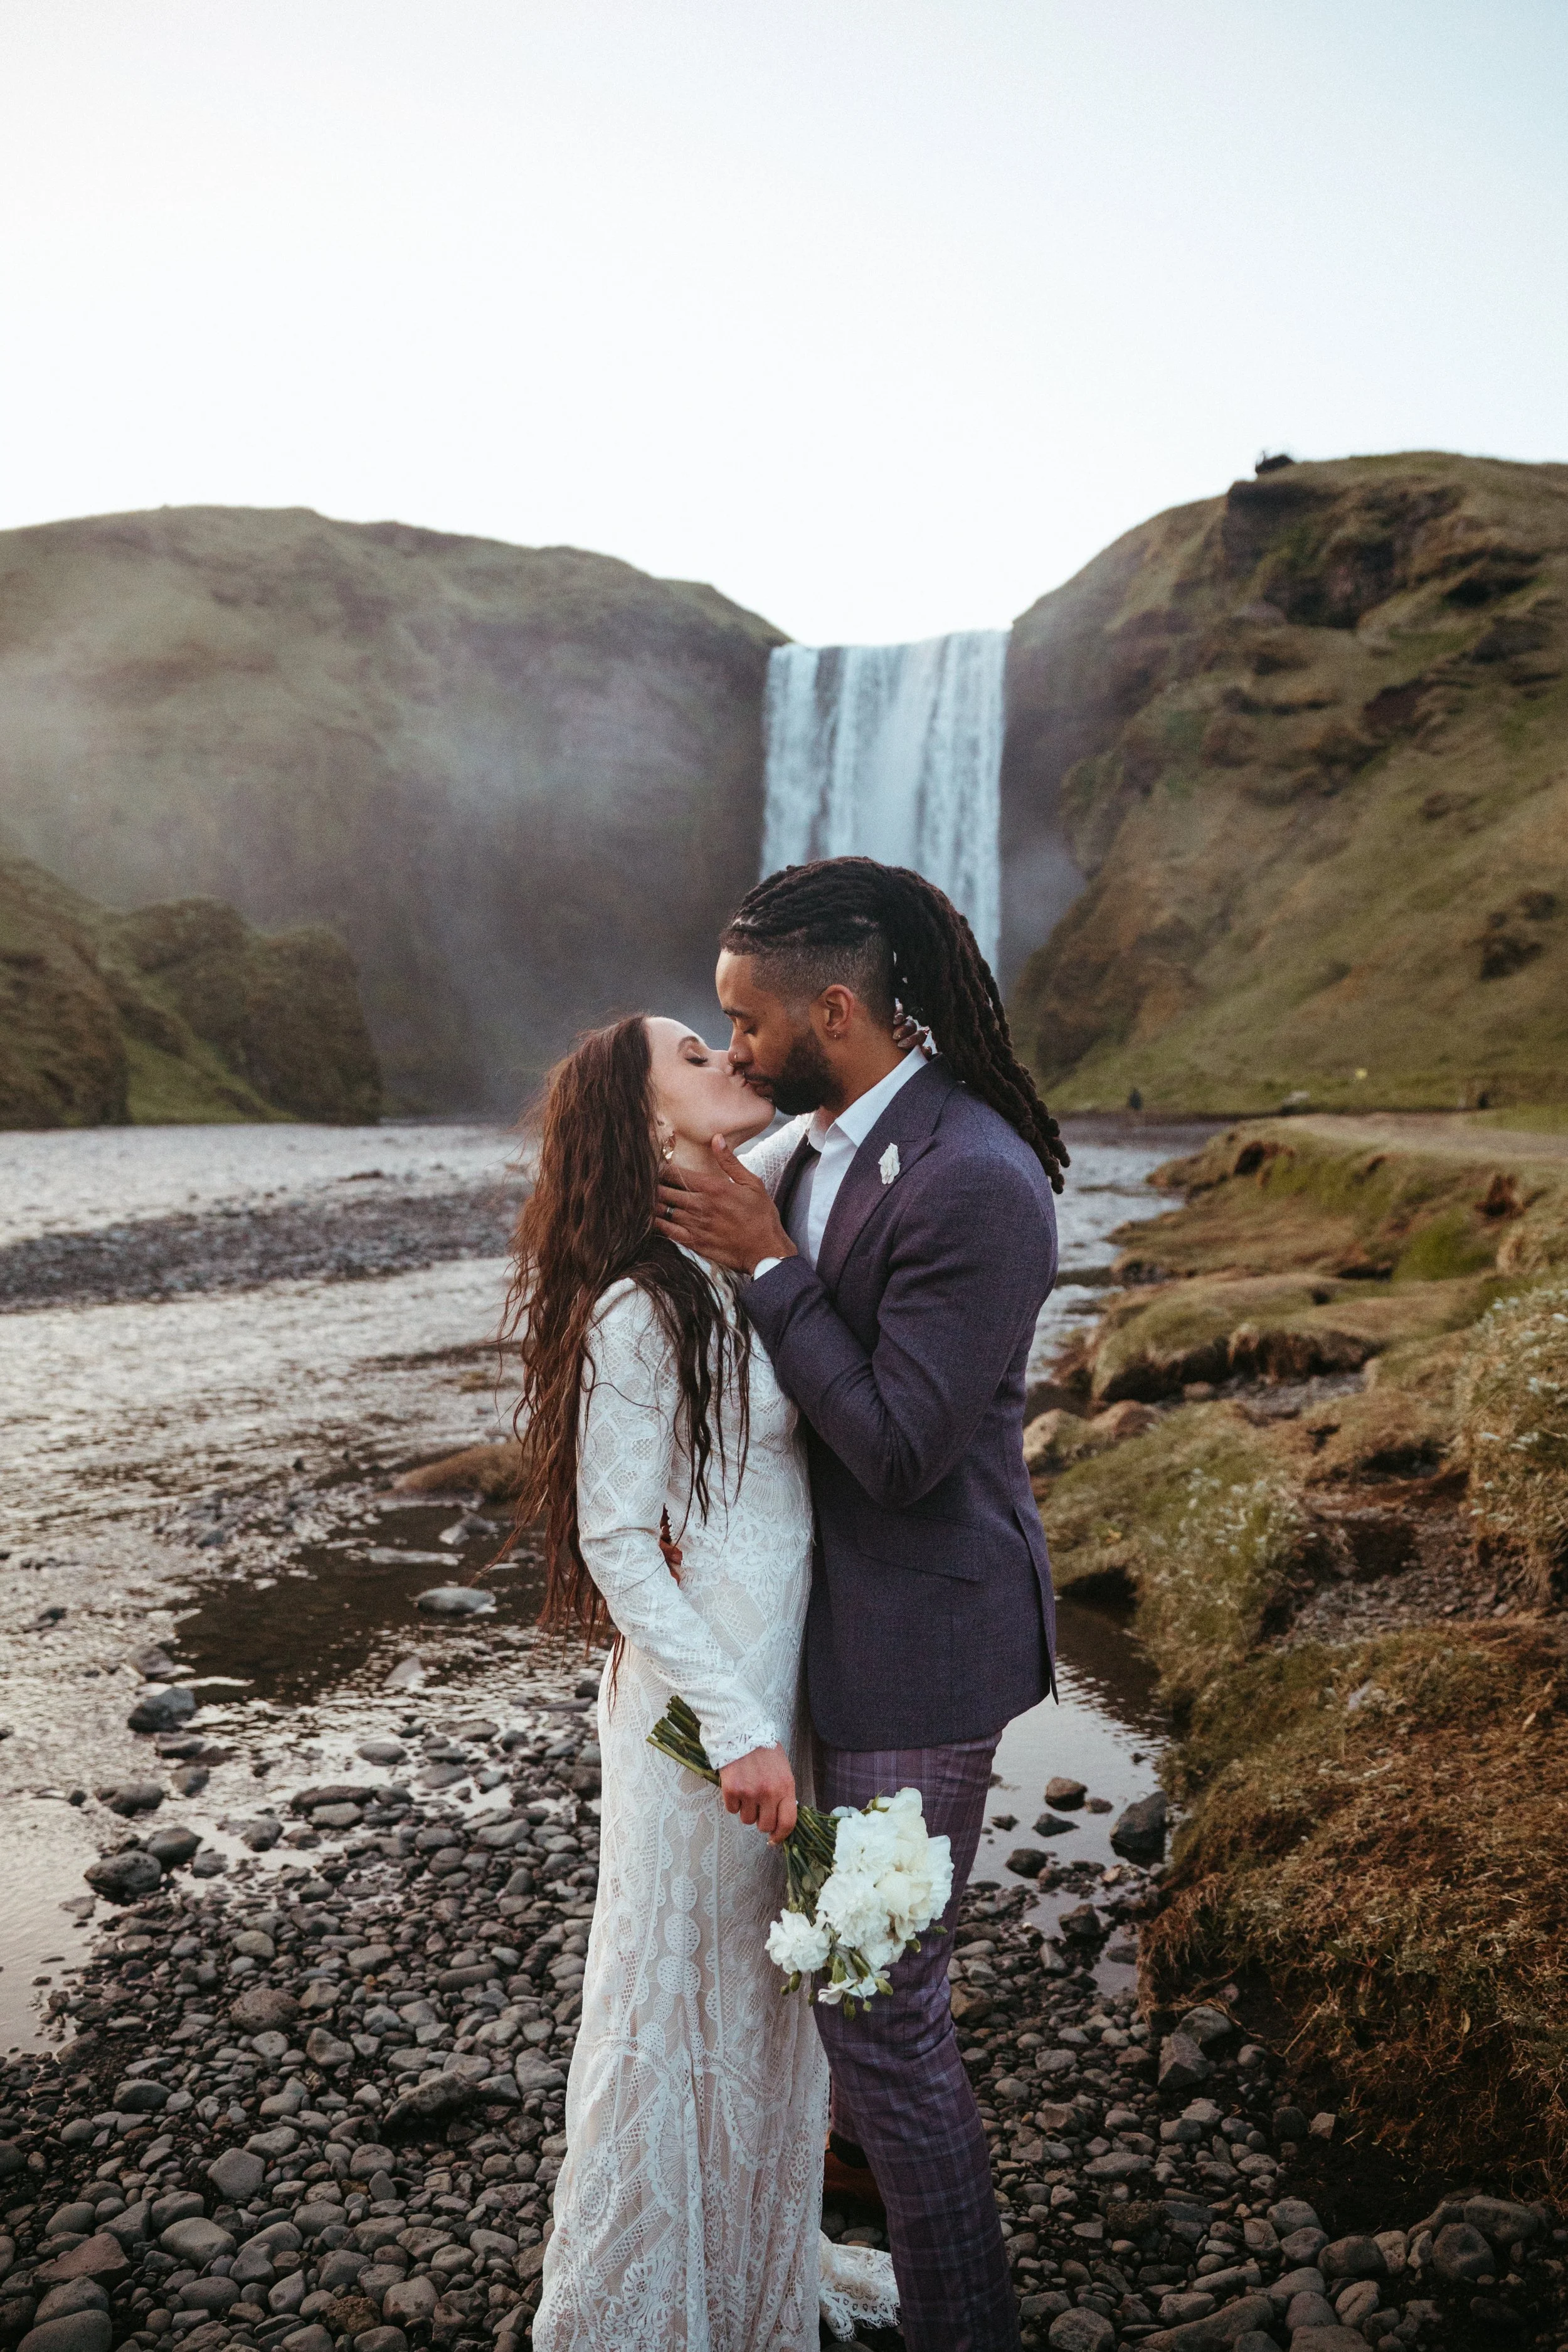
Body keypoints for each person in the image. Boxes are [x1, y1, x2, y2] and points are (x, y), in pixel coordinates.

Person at [657, 856, 1067, 2352]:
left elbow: (897, 1447)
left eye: (746, 1022)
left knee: (881, 2021)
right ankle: (837, 2239)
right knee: (854, 2000)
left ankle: (970, 2327)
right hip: (814, 1637)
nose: (736, 1048)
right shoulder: (816, 1145)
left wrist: (764, 1266)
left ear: (835, 1007)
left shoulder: (974, 1178)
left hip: (922, 1649)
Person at [513, 1014, 898, 2352]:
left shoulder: (730, 1244)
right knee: (677, 1999)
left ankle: (744, 2284)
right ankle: (646, 2307)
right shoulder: (638, 1300)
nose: (730, 1060)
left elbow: (828, 1117)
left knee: (758, 1997)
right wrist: (735, 1729)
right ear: (646, 1122)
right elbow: (619, 1539)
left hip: (773, 1683)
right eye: (695, 1052)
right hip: (704, 1716)